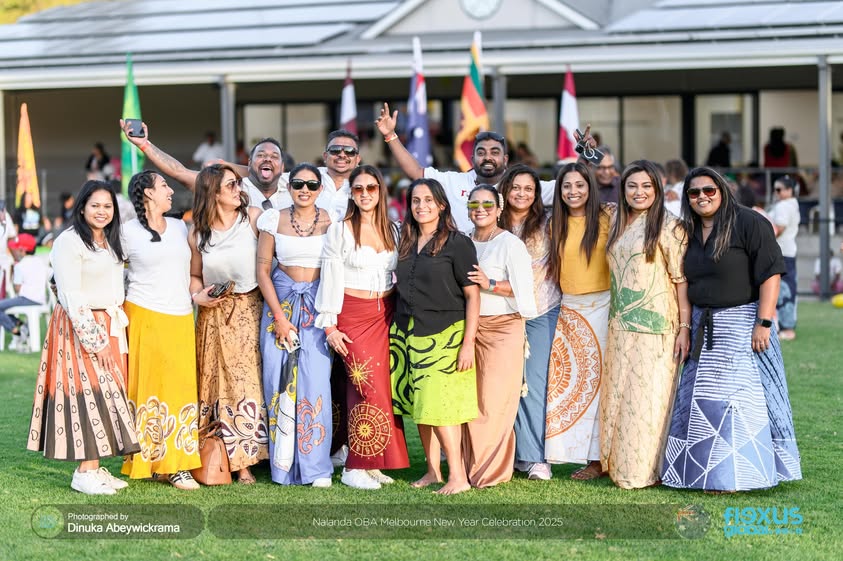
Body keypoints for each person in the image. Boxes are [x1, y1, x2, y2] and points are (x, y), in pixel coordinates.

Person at [662, 167, 802, 492]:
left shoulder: (749, 222)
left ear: (722, 190)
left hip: (743, 323)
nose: (702, 197)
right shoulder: (689, 231)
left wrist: (764, 322)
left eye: (709, 190)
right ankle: (697, 473)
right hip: (702, 327)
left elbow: (771, 273)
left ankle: (731, 477)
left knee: (736, 402)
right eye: (694, 192)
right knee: (700, 402)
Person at [27, 180, 139, 495]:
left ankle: (96, 464)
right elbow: (70, 293)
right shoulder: (70, 241)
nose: (102, 212)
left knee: (108, 393)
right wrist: (95, 338)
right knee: (88, 394)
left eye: (107, 206)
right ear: (82, 207)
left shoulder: (110, 241)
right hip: (82, 326)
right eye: (95, 205)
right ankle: (84, 472)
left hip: (111, 321)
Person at [315, 164, 410, 489]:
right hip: (352, 316)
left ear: (381, 191)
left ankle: (373, 462)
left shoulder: (394, 230)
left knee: (381, 390)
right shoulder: (340, 230)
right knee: (365, 388)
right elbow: (329, 278)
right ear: (351, 194)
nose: (365, 194)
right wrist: (329, 325)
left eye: (371, 188)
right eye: (359, 189)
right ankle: (354, 467)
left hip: (385, 313)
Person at [601, 160, 690, 489]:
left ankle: (641, 471)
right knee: (619, 397)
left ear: (658, 189)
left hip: (657, 330)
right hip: (621, 327)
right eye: (632, 186)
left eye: (646, 186)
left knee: (646, 400)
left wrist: (684, 328)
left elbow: (681, 282)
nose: (639, 193)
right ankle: (613, 463)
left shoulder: (670, 227)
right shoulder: (616, 222)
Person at [390, 178, 481, 495]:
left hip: (445, 335)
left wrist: (467, 343)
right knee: (421, 407)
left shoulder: (458, 243)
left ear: (442, 205)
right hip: (406, 334)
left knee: (441, 407)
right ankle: (433, 471)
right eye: (415, 200)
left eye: (428, 200)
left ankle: (458, 477)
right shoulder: (405, 240)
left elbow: (473, 295)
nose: (421, 206)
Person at [188, 164, 268, 484]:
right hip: (212, 315)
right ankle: (216, 455)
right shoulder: (198, 232)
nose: (239, 189)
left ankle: (248, 460)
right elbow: (195, 275)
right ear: (214, 194)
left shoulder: (254, 218)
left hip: (249, 309)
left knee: (247, 384)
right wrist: (198, 295)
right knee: (213, 384)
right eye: (231, 185)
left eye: (237, 184)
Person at [120, 171, 201, 490]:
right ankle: (150, 460)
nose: (170, 190)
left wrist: (200, 295)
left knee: (181, 389)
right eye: (164, 185)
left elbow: (193, 271)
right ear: (147, 194)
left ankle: (178, 463)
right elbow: (109, 267)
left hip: (182, 316)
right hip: (143, 315)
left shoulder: (182, 227)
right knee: (148, 389)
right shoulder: (126, 232)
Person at [256, 163, 334, 487]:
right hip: (281, 302)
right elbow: (262, 270)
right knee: (279, 380)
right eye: (299, 184)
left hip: (317, 304)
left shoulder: (332, 221)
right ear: (289, 187)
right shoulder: (272, 219)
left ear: (320, 188)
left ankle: (316, 467)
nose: (304, 190)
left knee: (316, 382)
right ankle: (283, 466)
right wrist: (279, 317)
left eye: (311, 184)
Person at [375, 103, 555, 233]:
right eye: (481, 152)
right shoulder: (454, 181)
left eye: (494, 152)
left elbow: (570, 188)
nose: (488, 157)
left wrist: (583, 157)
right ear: (472, 158)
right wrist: (391, 135)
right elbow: (416, 172)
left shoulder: (521, 189)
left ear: (505, 159)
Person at [545, 161, 616, 480]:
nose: (573, 191)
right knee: (571, 386)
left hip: (602, 305)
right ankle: (570, 453)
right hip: (568, 308)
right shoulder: (553, 224)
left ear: (590, 187)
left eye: (580, 185)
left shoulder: (608, 218)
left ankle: (600, 459)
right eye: (567, 186)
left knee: (598, 385)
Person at [463, 184, 537, 488]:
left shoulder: (510, 244)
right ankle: (467, 466)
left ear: (499, 208)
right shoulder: (463, 241)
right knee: (470, 400)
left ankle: (490, 472)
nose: (480, 210)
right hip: (468, 328)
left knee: (493, 402)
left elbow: (523, 292)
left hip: (503, 327)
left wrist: (489, 282)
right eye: (474, 205)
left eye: (487, 205)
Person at [497, 164, 561, 481]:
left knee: (533, 386)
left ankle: (536, 458)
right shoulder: (492, 223)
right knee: (504, 386)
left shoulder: (548, 223)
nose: (521, 193)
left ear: (536, 195)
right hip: (501, 314)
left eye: (529, 189)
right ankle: (507, 454)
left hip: (541, 311)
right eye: (516, 187)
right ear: (506, 190)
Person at [119, 119, 285, 211]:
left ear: (283, 167)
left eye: (274, 156)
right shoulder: (233, 188)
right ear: (249, 162)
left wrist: (228, 164)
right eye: (261, 155)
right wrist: (144, 144)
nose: (267, 159)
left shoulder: (299, 184)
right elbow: (179, 172)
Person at [1, 233, 48, 346]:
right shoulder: (40, 262)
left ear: (22, 250)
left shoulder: (20, 265)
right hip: (40, 298)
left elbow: (17, 289)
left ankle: (16, 331)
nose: (14, 251)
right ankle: (21, 325)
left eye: (16, 248)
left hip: (26, 298)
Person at [768, 175, 800, 341]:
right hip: (788, 251)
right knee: (787, 288)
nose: (777, 192)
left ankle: (787, 328)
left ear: (789, 190)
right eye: (775, 189)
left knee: (784, 289)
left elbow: (777, 228)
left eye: (780, 189)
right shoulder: (792, 204)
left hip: (781, 252)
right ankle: (786, 326)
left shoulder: (784, 206)